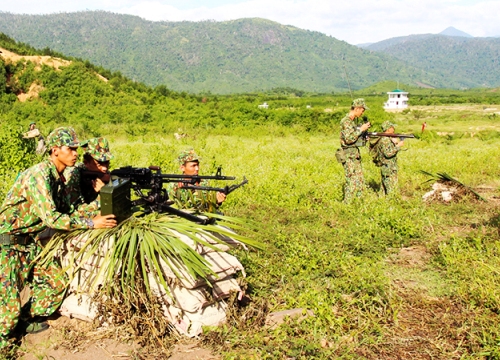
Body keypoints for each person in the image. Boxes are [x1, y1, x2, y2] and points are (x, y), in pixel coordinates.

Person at [0, 127, 117, 349]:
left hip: (30, 243)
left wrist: (102, 199)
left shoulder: (58, 178)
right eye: (70, 149)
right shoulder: (39, 175)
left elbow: (70, 211)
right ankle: (4, 339)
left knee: (56, 285)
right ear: (55, 150)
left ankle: (24, 320)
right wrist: (93, 223)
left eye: (75, 148)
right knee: (7, 314)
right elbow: (53, 218)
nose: (75, 153)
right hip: (9, 244)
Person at [65, 137, 114, 216]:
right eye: (99, 164)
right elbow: (76, 211)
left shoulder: (104, 174)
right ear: (86, 162)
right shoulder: (73, 176)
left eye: (107, 162)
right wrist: (103, 195)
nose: (105, 168)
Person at [339, 98, 371, 203]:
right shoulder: (346, 122)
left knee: (359, 179)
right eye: (362, 110)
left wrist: (363, 136)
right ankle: (347, 204)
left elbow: (354, 138)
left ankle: (359, 201)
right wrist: (361, 129)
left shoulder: (352, 122)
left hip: (354, 154)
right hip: (348, 155)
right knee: (351, 179)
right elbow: (349, 139)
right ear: (357, 108)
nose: (363, 113)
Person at [373, 121, 404, 195]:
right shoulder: (385, 140)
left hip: (389, 167)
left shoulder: (387, 138)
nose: (394, 129)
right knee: (391, 189)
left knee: (385, 188)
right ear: (388, 129)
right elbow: (388, 154)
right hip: (388, 167)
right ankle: (391, 202)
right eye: (392, 128)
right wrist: (398, 146)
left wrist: (395, 143)